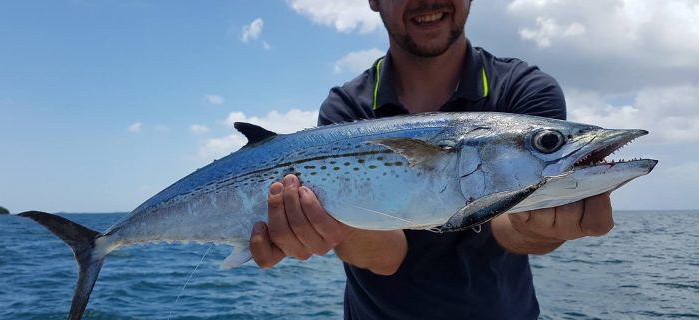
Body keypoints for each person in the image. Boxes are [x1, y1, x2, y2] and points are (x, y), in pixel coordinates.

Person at [249, 0, 614, 318]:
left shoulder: (524, 90)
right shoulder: (347, 110)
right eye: (547, 143)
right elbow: (385, 257)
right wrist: (323, 226)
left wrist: (539, 226)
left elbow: (511, 230)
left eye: (548, 142)